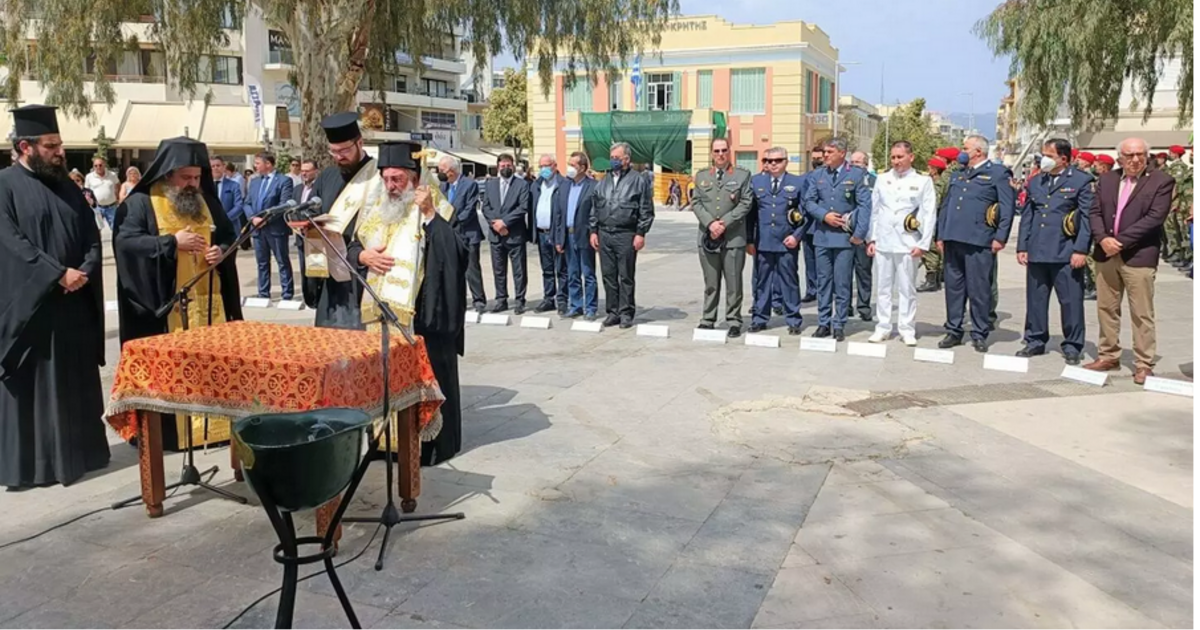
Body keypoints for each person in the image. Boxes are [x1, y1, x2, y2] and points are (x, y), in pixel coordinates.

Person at [0, 105, 109, 491]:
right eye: (51, 146)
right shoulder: (5, 185)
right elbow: (11, 243)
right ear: (25, 147)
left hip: (73, 305)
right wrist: (56, 274)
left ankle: (83, 456)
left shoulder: (68, 187)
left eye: (60, 144)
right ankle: (35, 468)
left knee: (74, 384)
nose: (60, 152)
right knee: (36, 390)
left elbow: (91, 236)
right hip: (33, 311)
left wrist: (85, 270)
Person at [112, 136, 244, 451]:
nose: (192, 184)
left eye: (197, 177)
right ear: (167, 173)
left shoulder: (208, 202)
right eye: (185, 177)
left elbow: (229, 236)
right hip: (164, 309)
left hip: (209, 306)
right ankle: (172, 435)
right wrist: (171, 243)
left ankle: (213, 430)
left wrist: (222, 252)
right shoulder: (140, 203)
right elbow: (126, 244)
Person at [348, 142, 467, 466]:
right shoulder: (376, 211)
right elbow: (353, 246)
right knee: (384, 380)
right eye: (386, 179)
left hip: (424, 315)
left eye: (397, 179)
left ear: (415, 178)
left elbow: (457, 255)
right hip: (380, 316)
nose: (390, 186)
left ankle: (427, 445)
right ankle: (384, 444)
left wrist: (429, 215)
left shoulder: (437, 208)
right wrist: (362, 256)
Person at [1085, 137, 1175, 385]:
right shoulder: (1107, 179)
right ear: (1120, 158)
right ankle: (1108, 355)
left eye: (1140, 154)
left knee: (1141, 312)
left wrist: (1120, 241)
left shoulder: (1161, 181)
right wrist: (1103, 239)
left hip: (1139, 256)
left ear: (1147, 156)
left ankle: (1144, 363)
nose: (1135, 160)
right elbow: (1094, 212)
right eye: (1129, 155)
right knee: (1106, 308)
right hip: (1105, 254)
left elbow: (1154, 218)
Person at [1015, 139, 1094, 366]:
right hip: (1038, 250)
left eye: (1049, 155)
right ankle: (1035, 339)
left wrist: (1081, 249)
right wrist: (1022, 246)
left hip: (1065, 251)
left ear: (1064, 159)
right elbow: (1028, 216)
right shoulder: (1036, 181)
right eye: (1044, 154)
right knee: (1036, 299)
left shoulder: (1081, 181)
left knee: (1070, 301)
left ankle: (1072, 345)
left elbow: (1086, 219)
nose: (1044, 159)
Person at [302, 112, 381, 329]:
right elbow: (311, 211)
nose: (339, 157)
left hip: (363, 272)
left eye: (344, 151)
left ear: (360, 143)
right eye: (334, 151)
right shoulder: (327, 176)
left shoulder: (378, 176)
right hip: (331, 271)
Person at [937, 135, 1014, 353]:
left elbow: (1006, 207)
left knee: (979, 289)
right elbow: (946, 206)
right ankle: (954, 330)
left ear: (978, 151)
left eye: (965, 148)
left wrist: (1000, 237)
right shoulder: (958, 174)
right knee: (954, 288)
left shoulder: (997, 174)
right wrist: (940, 234)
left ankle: (979, 332)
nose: (962, 151)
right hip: (953, 238)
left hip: (979, 239)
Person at [867, 141, 937, 346]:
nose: (896, 161)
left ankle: (907, 328)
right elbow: (875, 210)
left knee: (907, 288)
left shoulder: (923, 181)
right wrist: (872, 238)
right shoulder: (882, 179)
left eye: (900, 157)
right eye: (893, 157)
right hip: (884, 240)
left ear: (911, 157)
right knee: (883, 288)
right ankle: (883, 327)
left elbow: (929, 213)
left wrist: (923, 244)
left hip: (908, 242)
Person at [803, 138, 873, 342]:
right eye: (825, 152)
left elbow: (865, 205)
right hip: (823, 236)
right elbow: (809, 201)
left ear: (842, 153)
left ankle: (839, 323)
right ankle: (823, 322)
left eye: (830, 152)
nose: (825, 155)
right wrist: (824, 215)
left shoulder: (856, 175)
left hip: (845, 237)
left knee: (842, 282)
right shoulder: (818, 175)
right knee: (824, 281)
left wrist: (859, 234)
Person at [691, 138, 753, 336]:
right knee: (711, 282)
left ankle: (734, 320)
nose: (720, 154)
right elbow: (696, 202)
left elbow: (746, 202)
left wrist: (724, 223)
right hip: (708, 237)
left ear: (729, 151)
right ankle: (708, 319)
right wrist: (710, 223)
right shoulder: (701, 176)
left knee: (733, 283)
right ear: (711, 153)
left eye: (724, 150)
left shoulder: (742, 175)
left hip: (733, 238)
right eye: (716, 151)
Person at [590, 142, 655, 329]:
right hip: (605, 233)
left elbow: (646, 209)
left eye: (617, 158)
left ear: (627, 159)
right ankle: (613, 312)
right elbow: (595, 207)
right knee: (608, 275)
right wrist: (593, 231)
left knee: (626, 275)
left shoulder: (638, 180)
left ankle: (626, 312)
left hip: (626, 234)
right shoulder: (604, 180)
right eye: (612, 158)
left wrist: (641, 233)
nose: (614, 161)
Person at [748, 147, 806, 336]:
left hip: (786, 241)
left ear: (786, 162)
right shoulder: (756, 182)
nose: (773, 164)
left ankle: (793, 319)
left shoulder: (797, 182)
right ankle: (760, 318)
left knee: (789, 281)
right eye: (768, 160)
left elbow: (805, 213)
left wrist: (796, 236)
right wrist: (749, 240)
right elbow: (750, 215)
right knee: (762, 282)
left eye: (777, 160)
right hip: (763, 241)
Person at [481, 153, 532, 314]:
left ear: (513, 166)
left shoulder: (522, 185)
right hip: (496, 235)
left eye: (508, 165)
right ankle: (501, 299)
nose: (505, 168)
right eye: (502, 166)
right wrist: (495, 224)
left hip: (515, 233)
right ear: (498, 167)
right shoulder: (490, 184)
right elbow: (485, 207)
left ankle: (520, 300)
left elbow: (523, 207)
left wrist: (505, 222)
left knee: (519, 270)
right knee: (498, 270)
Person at [552, 152, 600, 321]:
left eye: (573, 165)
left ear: (582, 168)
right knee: (572, 273)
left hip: (584, 235)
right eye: (569, 164)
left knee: (588, 273)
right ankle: (576, 305)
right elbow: (559, 214)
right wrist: (559, 238)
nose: (570, 167)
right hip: (568, 234)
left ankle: (591, 307)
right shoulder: (565, 186)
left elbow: (596, 212)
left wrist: (594, 232)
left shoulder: (593, 186)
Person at [437, 155, 485, 313]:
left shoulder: (469, 184)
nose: (440, 173)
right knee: (453, 270)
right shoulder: (443, 186)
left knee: (472, 269)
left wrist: (453, 222)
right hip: (450, 235)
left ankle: (479, 300)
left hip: (468, 233)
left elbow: (469, 209)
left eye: (442, 170)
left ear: (452, 170)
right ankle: (457, 300)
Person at [244, 152, 295, 301]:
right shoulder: (254, 182)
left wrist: (266, 219)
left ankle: (287, 294)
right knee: (262, 263)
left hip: (275, 228)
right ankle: (263, 293)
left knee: (282, 261)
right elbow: (247, 203)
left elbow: (284, 204)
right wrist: (253, 218)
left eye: (258, 163)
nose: (255, 166)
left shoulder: (284, 180)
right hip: (257, 229)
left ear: (268, 164)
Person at [531, 154, 568, 314]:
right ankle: (548, 298)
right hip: (541, 232)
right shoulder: (536, 185)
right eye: (540, 166)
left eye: (546, 165)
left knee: (561, 269)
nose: (543, 169)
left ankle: (562, 299)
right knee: (547, 269)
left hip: (556, 232)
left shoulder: (563, 184)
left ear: (554, 165)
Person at [918, 152, 953, 293]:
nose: (928, 169)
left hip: (934, 219)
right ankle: (936, 279)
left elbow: (935, 204)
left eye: (930, 167)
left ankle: (932, 280)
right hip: (937, 219)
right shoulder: (940, 181)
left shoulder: (937, 184)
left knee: (930, 250)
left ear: (935, 169)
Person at [849, 150, 877, 322]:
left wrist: (873, 237)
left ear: (866, 165)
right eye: (851, 162)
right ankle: (845, 306)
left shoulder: (875, 182)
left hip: (865, 233)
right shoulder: (845, 179)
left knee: (864, 272)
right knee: (844, 273)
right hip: (847, 232)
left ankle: (864, 307)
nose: (854, 166)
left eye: (857, 163)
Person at [800, 145, 826, 303]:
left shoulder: (829, 176)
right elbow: (803, 201)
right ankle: (812, 289)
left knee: (825, 262)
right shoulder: (805, 178)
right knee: (810, 261)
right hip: (809, 226)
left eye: (819, 158)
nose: (816, 161)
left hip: (825, 225)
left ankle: (826, 290)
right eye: (814, 158)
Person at [1164, 145, 1194, 269]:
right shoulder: (1190, 170)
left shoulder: (1180, 168)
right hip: (1184, 205)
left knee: (1187, 233)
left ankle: (1188, 258)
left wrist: (1171, 202)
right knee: (1183, 232)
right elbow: (1180, 188)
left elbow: (1175, 186)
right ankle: (1185, 257)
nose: (1191, 156)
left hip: (1189, 207)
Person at [292, 158, 319, 280]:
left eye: (307, 171)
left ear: (316, 171)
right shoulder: (298, 188)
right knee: (303, 269)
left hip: (314, 234)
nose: (304, 173)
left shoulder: (319, 188)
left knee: (316, 270)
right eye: (302, 171)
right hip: (300, 235)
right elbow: (293, 209)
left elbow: (319, 209)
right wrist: (296, 225)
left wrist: (307, 225)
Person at [213, 157, 245, 240]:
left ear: (224, 167)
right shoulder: (204, 187)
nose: (215, 168)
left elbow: (239, 206)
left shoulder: (234, 185)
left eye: (218, 165)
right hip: (210, 228)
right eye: (213, 166)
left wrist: (225, 219)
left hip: (230, 227)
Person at [85, 156, 120, 229]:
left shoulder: (112, 175)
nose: (98, 167)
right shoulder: (89, 177)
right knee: (96, 229)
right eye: (96, 165)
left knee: (115, 228)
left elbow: (118, 185)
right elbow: (87, 191)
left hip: (111, 207)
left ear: (104, 165)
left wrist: (117, 197)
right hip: (97, 208)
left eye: (100, 165)